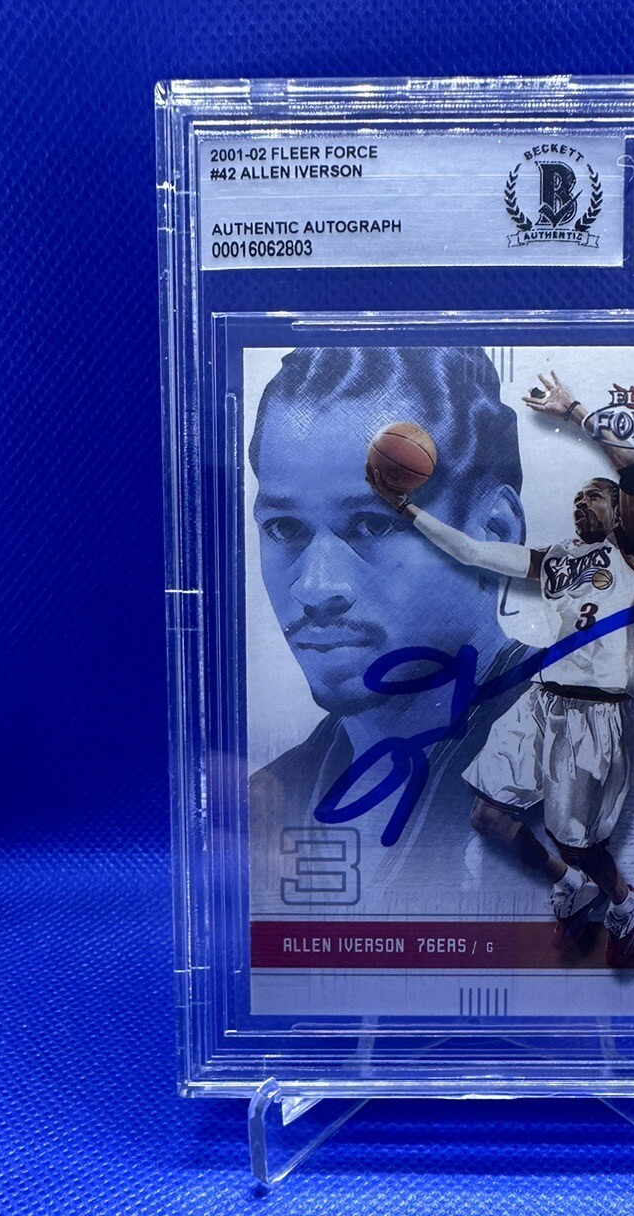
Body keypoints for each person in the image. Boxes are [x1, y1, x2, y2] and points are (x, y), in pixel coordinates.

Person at [367, 369, 634, 966]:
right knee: (488, 816)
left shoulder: (630, 548)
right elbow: (473, 551)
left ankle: (624, 902)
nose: (581, 502)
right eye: (577, 498)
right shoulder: (553, 559)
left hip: (597, 711)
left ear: (618, 511)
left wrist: (574, 411)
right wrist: (407, 509)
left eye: (594, 496)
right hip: (544, 700)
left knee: (578, 841)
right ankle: (569, 885)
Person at [248, 345, 529, 911]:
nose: (316, 588)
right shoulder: (264, 802)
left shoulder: (580, 754)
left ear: (495, 534)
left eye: (374, 525)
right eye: (284, 529)